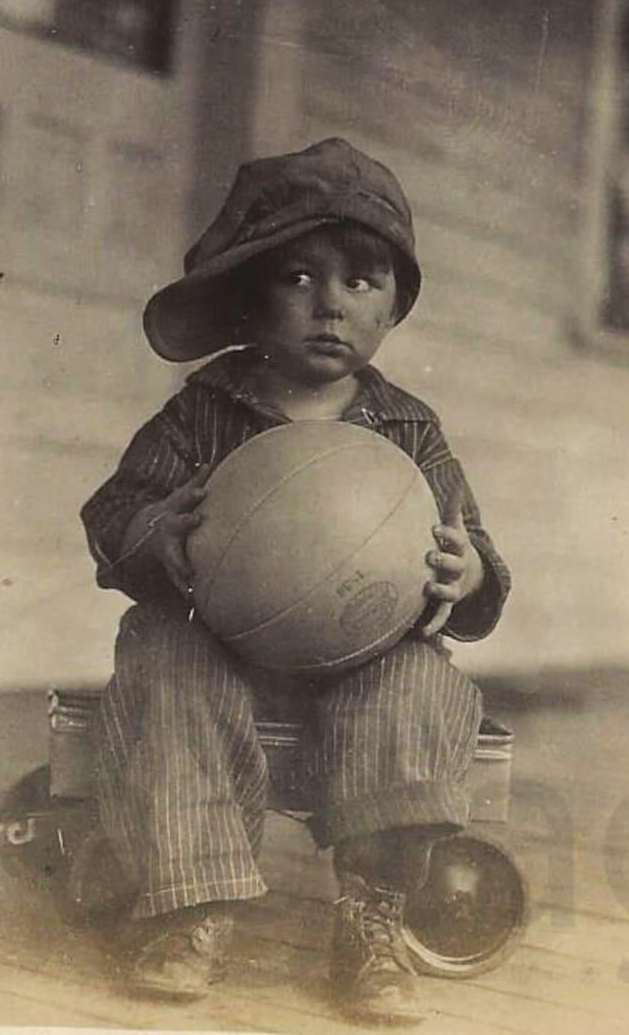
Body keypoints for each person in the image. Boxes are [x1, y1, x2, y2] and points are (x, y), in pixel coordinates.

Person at [81, 137, 510, 1026]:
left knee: (426, 682)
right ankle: (191, 906)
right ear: (247, 294)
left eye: (361, 282)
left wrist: (464, 575)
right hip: (223, 644)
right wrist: (153, 532)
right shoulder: (204, 410)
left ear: (394, 308)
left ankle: (374, 917)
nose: (330, 306)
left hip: (364, 651)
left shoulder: (409, 428)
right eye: (299, 277)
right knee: (161, 656)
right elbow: (116, 508)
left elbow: (467, 543)